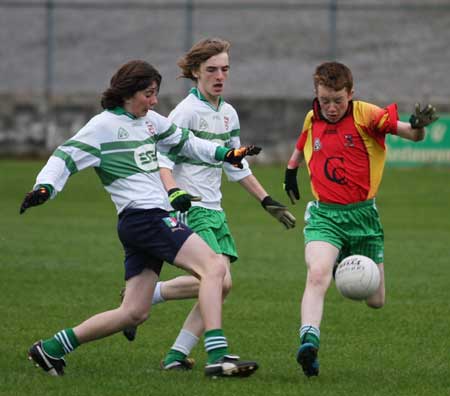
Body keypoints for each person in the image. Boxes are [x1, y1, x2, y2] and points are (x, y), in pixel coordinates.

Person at [20, 59, 262, 378]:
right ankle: (217, 355)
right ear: (129, 92)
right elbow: (64, 155)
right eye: (148, 94)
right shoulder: (102, 126)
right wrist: (45, 187)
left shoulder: (150, 122)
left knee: (134, 312)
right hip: (146, 218)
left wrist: (225, 154)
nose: (154, 101)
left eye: (155, 93)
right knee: (215, 267)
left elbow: (186, 142)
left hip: (139, 224)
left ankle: (51, 348)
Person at [120, 38, 296, 371]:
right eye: (212, 69)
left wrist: (266, 200)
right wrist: (174, 193)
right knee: (219, 280)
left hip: (215, 210)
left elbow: (234, 164)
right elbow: (162, 159)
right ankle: (212, 351)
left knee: (218, 285)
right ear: (196, 72)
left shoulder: (228, 114)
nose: (220, 76)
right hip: (191, 208)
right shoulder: (186, 112)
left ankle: (172, 348)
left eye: (225, 69)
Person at [282, 61, 438, 377]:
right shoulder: (313, 116)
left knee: (376, 300)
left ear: (351, 93)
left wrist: (418, 125)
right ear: (316, 94)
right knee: (317, 273)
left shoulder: (367, 115)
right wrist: (290, 170)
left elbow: (413, 136)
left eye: (338, 100)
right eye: (325, 100)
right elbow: (302, 142)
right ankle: (308, 342)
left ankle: (344, 260)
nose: (331, 107)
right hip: (325, 215)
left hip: (364, 217)